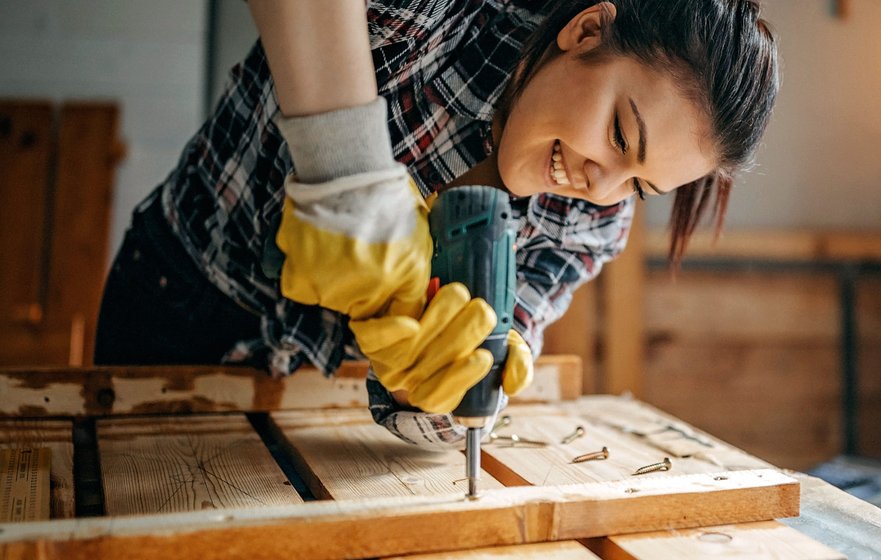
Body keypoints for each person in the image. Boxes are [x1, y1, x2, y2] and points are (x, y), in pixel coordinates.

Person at [94, 0, 779, 448]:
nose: (602, 186)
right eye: (619, 134)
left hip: (317, 398)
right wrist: (347, 174)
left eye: (641, 185)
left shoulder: (593, 227)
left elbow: (470, 371)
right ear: (586, 31)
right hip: (179, 297)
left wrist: (435, 391)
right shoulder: (446, 19)